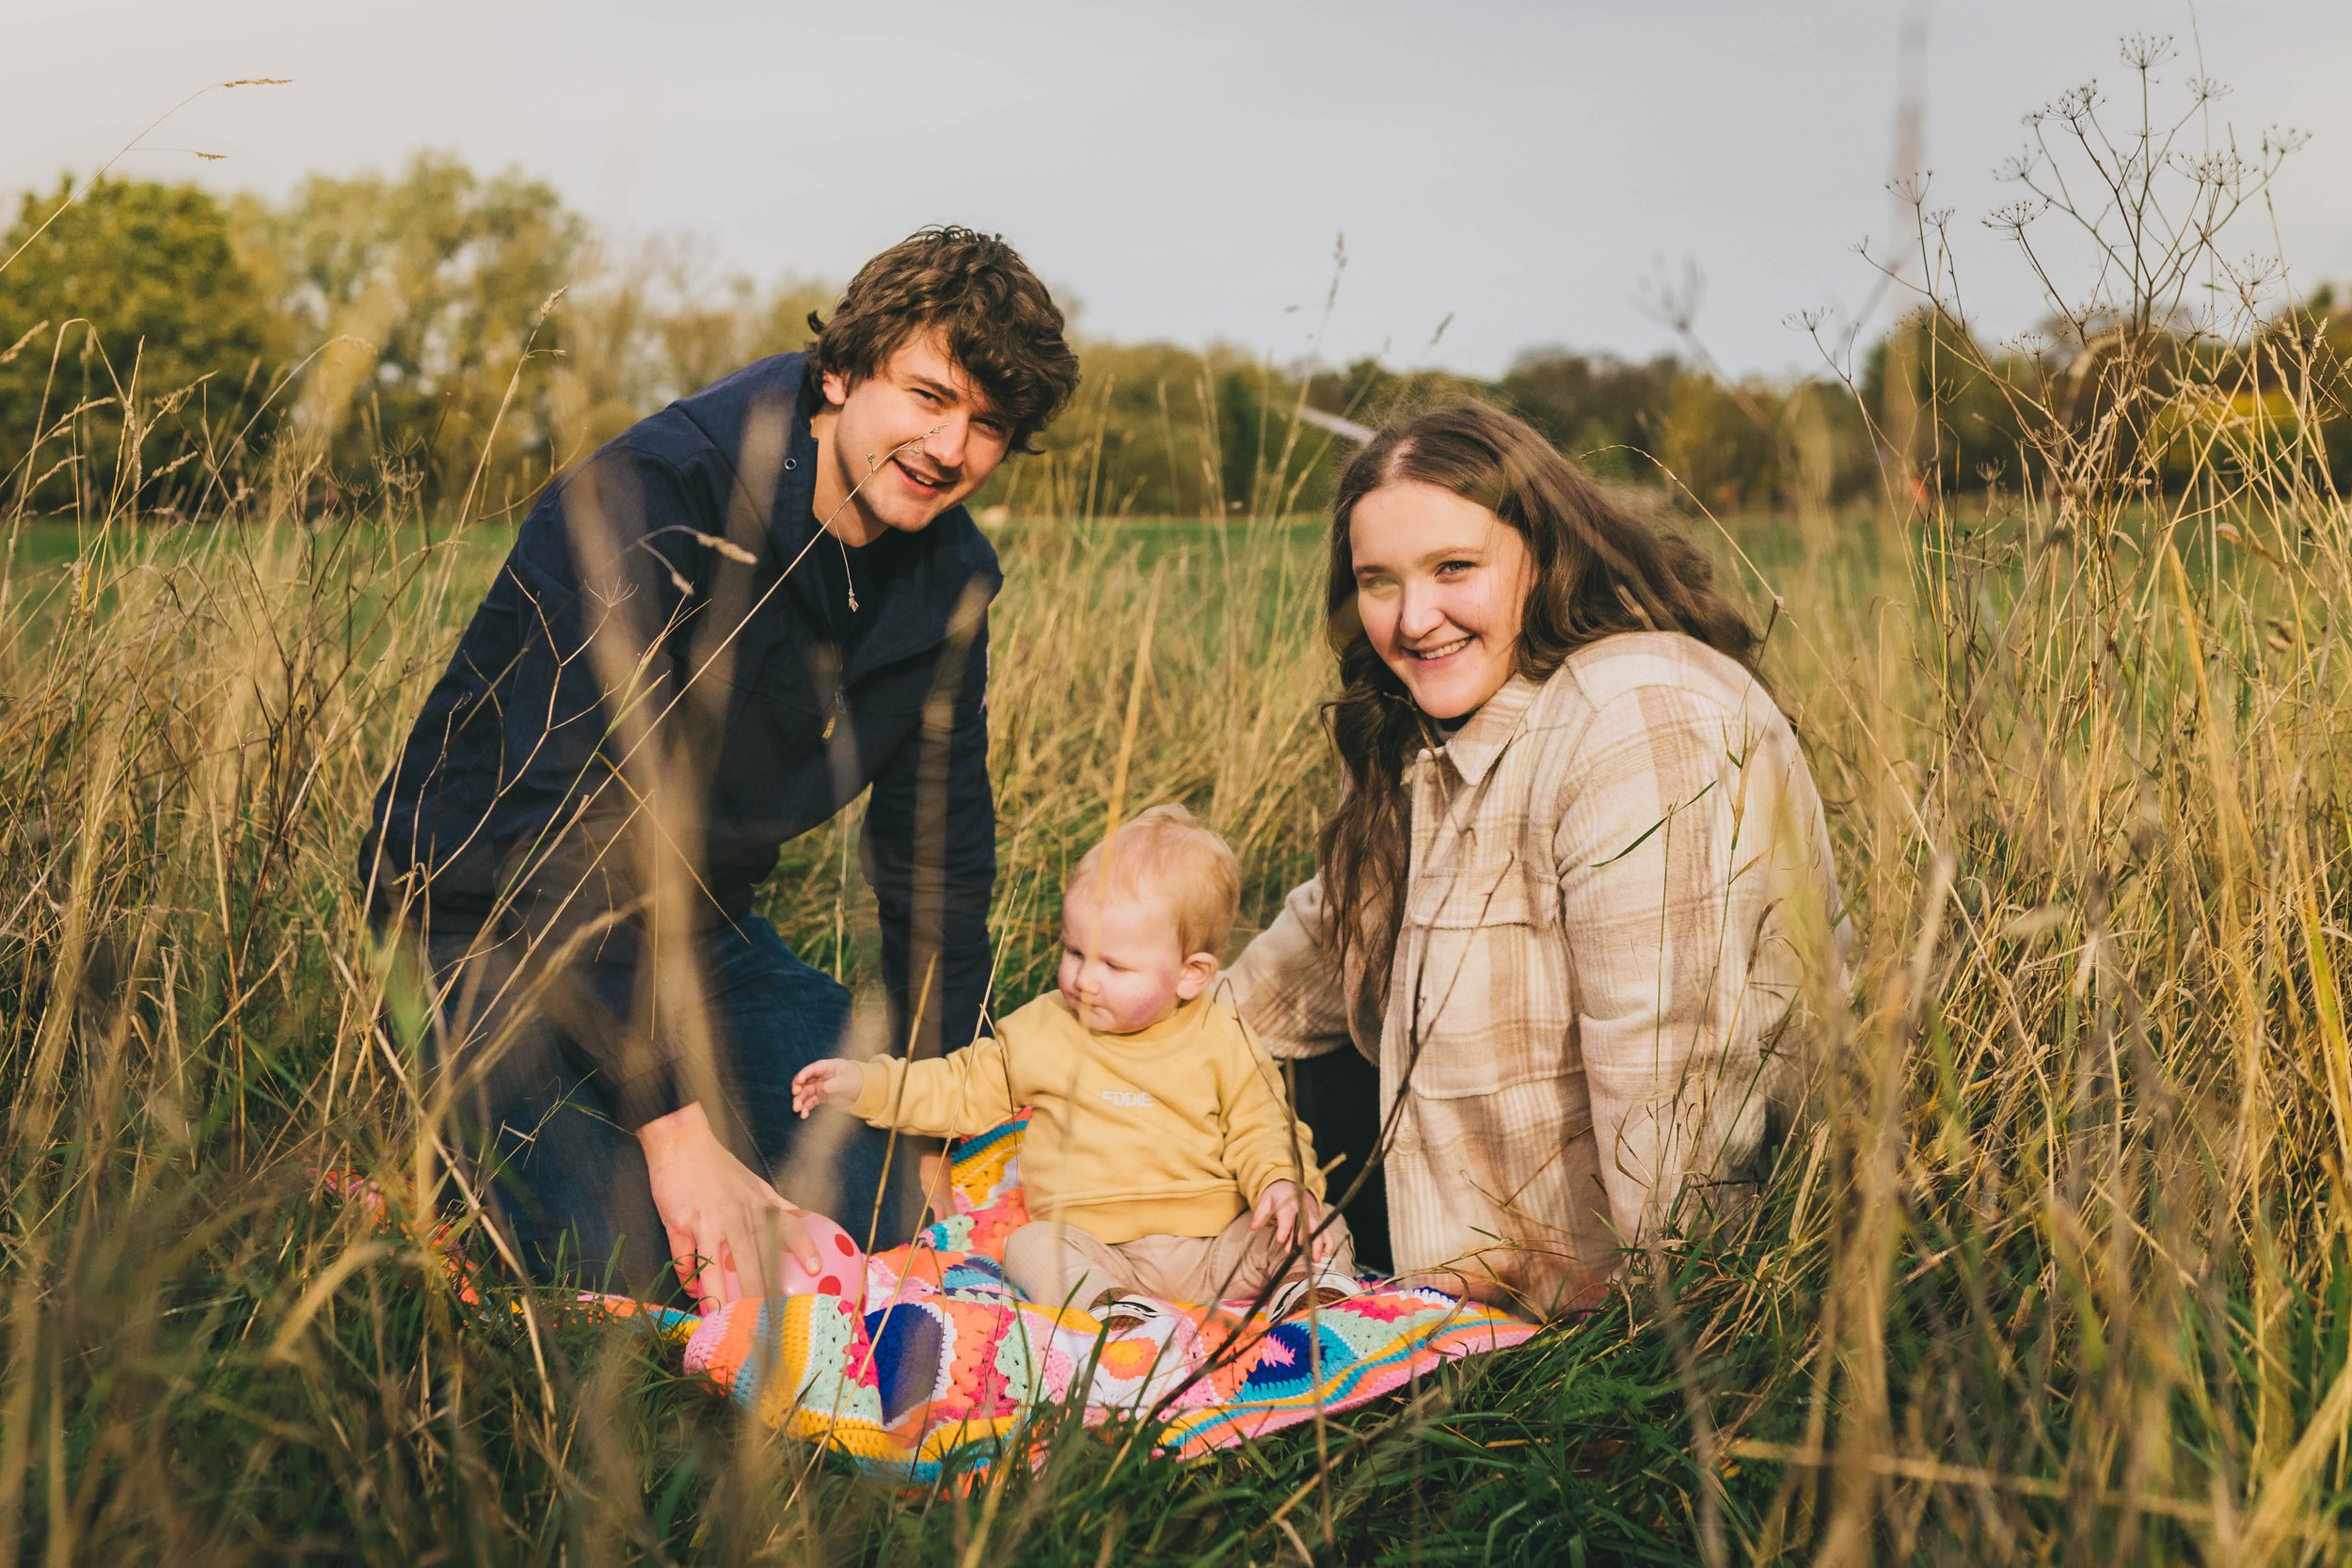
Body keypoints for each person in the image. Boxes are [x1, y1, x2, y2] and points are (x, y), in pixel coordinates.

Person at [360, 227, 1080, 1309]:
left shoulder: (952, 579)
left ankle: (632, 1138)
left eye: (987, 424)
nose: (950, 446)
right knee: (633, 1251)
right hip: (480, 923)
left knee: (888, 1206)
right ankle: (461, 1150)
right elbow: (556, 825)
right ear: (839, 369)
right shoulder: (655, 497)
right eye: (929, 396)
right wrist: (672, 1124)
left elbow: (937, 858)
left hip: (701, 929)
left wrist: (937, 1114)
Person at [1226, 400, 1848, 1319]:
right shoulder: (1439, 733)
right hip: (1440, 1242)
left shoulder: (1637, 720)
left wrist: (1639, 1342)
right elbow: (1284, 979)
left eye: (1453, 568)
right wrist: (1066, 1065)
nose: (1412, 617)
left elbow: (1676, 1130)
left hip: (1581, 1299)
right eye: (1378, 580)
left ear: (1542, 553)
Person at [792, 805, 1358, 1323]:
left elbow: (1264, 1124)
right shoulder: (1046, 1027)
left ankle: (1313, 1293)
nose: (1085, 980)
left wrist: (1286, 1185)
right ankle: (1110, 1308)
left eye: (1113, 964)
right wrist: (866, 1083)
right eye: (1075, 952)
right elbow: (958, 1086)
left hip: (1219, 1247)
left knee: (1320, 1222)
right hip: (1096, 1246)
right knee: (1030, 1247)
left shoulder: (1222, 1033)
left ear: (1191, 974)